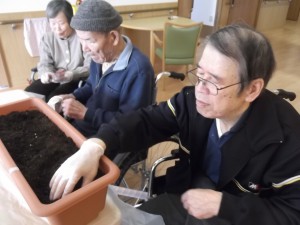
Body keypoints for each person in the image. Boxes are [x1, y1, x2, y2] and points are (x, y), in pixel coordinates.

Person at [49, 23, 300, 225]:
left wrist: (224, 205)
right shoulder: (193, 102)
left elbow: (292, 213)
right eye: (199, 75)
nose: (199, 90)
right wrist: (95, 145)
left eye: (213, 82)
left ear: (252, 88)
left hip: (241, 212)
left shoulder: (285, 137)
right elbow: (146, 120)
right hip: (186, 193)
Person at [47, 0, 155, 140]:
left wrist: (86, 113)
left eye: (90, 41)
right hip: (84, 126)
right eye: (81, 40)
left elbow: (131, 122)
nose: (84, 48)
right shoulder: (99, 57)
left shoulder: (139, 70)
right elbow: (92, 85)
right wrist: (72, 96)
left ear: (113, 37)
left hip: (107, 138)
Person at [25, 0, 91, 102]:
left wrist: (71, 74)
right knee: (30, 94)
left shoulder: (81, 36)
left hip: (76, 80)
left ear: (70, 20)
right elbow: (44, 63)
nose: (57, 28)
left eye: (61, 23)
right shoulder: (47, 38)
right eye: (53, 23)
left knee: (55, 99)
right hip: (54, 78)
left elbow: (90, 66)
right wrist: (46, 74)